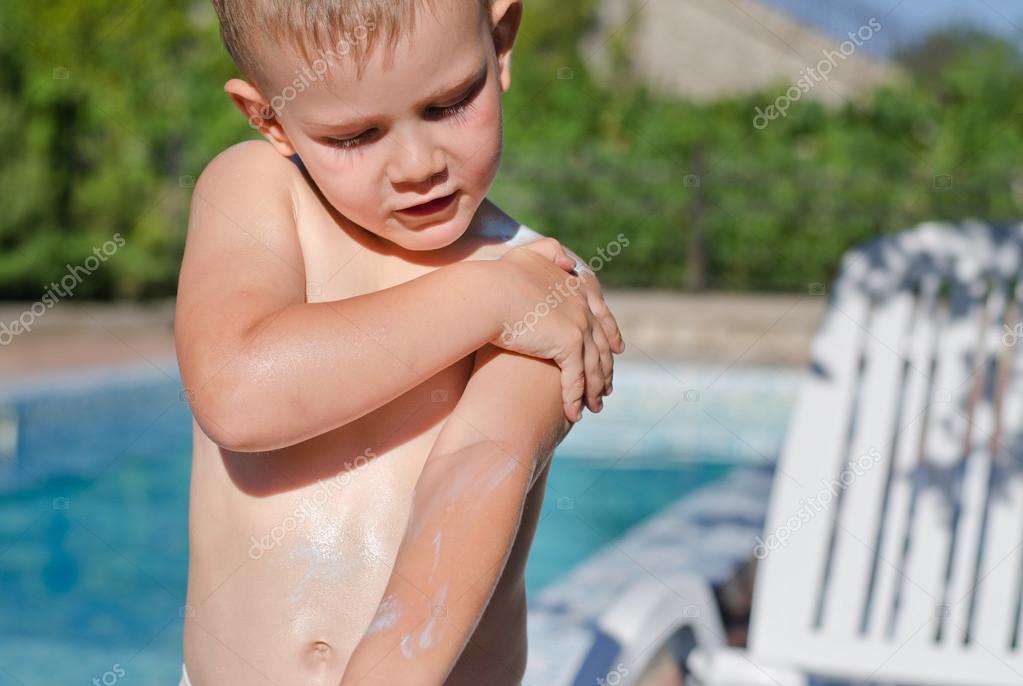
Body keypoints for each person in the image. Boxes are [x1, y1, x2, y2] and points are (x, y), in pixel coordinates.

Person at [174, 1, 624, 683]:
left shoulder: (547, 290)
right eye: (355, 135)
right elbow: (238, 391)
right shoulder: (256, 191)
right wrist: (485, 297)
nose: (416, 164)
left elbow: (472, 477)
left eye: (447, 105)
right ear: (269, 119)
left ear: (499, 42)